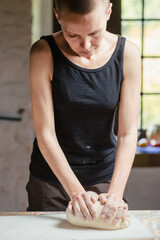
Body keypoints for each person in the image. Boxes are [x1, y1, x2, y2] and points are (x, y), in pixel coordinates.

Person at [26, 0, 141, 224]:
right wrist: (76, 193)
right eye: (72, 35)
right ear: (58, 18)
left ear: (109, 11)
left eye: (94, 33)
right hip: (52, 180)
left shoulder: (128, 54)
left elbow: (127, 134)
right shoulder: (43, 53)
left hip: (106, 178)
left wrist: (115, 194)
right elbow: (45, 134)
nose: (85, 44)